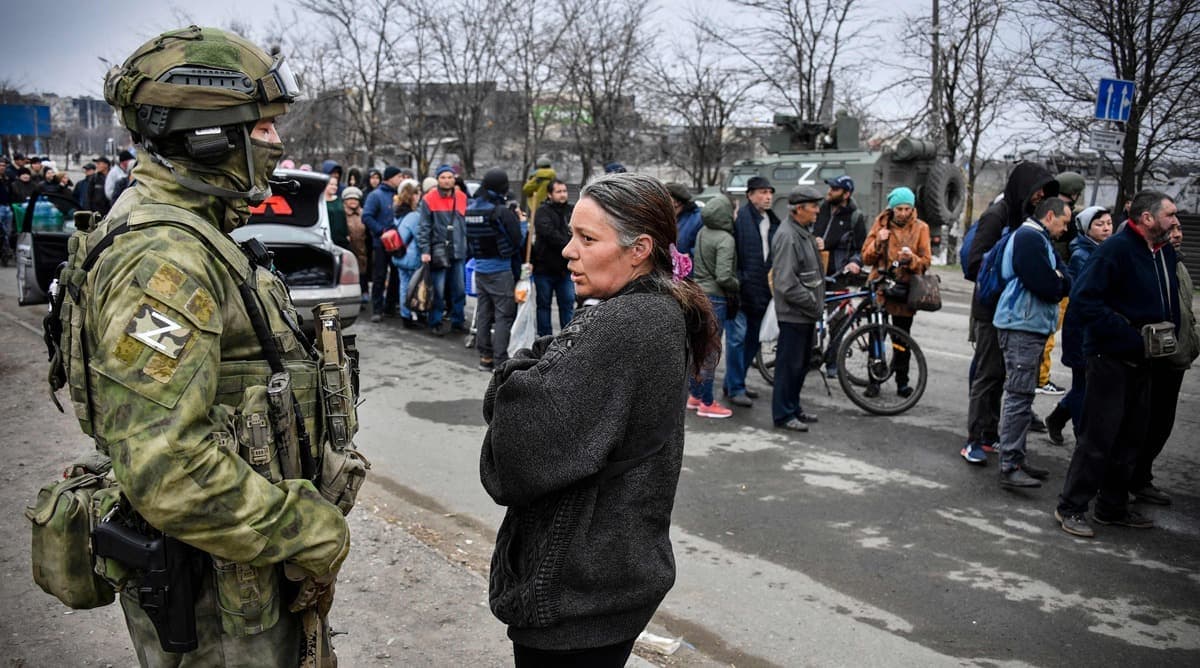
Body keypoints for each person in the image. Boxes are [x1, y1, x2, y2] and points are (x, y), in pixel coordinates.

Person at [61, 25, 351, 664]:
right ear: (208, 137)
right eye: (264, 126)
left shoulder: (194, 232)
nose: (277, 142)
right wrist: (309, 531)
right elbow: (167, 467)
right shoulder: (164, 261)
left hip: (238, 568)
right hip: (219, 596)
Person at [479, 172, 717, 666]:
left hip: (576, 592)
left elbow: (516, 451)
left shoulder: (627, 323)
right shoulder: (646, 309)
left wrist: (512, 380)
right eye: (572, 235)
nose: (569, 250)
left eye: (587, 238)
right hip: (604, 580)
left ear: (639, 249)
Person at [1055, 191, 1181, 537]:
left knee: (1132, 437)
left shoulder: (1164, 252)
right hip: (1109, 358)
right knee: (1098, 437)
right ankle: (1071, 507)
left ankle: (1112, 507)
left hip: (1147, 362)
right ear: (1147, 219)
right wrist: (1130, 335)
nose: (1176, 221)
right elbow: (1084, 302)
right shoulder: (1115, 250)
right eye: (1170, 214)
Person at [960, 162, 1058, 464]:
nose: (1040, 196)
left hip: (1011, 310)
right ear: (1024, 187)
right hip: (991, 309)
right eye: (1037, 189)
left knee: (1002, 374)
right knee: (988, 375)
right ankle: (974, 439)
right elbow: (975, 263)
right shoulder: (996, 216)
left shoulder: (1024, 217)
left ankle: (990, 434)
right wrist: (1010, 273)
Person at [991, 197, 1072, 488]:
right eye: (1063, 222)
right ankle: (1010, 463)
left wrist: (1059, 279)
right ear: (1050, 215)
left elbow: (1066, 279)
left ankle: (1017, 457)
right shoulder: (1029, 237)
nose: (1065, 229)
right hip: (1022, 325)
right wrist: (1058, 279)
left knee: (1023, 395)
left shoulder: (1040, 238)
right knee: (1019, 394)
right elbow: (1049, 286)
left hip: (1030, 325)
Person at [1130, 221, 1197, 505]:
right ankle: (1127, 482)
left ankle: (1141, 478)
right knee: (1144, 423)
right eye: (1171, 229)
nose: (1178, 234)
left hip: (1176, 357)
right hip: (1155, 358)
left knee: (1161, 423)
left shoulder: (1176, 263)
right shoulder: (1149, 262)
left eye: (1180, 228)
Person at [1045, 206, 1112, 444]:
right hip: (1081, 330)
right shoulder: (1082, 255)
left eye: (1108, 223)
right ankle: (1082, 437)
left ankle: (1058, 417)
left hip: (1096, 329)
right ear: (1085, 229)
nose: (1106, 228)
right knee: (1084, 385)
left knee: (1087, 384)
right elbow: (1088, 295)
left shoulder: (1105, 251)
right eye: (1099, 224)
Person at [861, 187, 933, 398]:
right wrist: (878, 242)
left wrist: (911, 259)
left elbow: (926, 262)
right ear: (892, 209)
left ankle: (903, 382)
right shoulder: (880, 225)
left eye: (907, 208)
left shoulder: (921, 228)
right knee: (876, 336)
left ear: (913, 208)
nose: (903, 213)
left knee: (901, 340)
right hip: (880, 287)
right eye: (899, 208)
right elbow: (866, 258)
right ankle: (874, 381)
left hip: (904, 290)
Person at [770, 186, 825, 431]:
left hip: (804, 314)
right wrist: (812, 303)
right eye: (813, 206)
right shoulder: (788, 236)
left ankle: (793, 407)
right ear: (799, 209)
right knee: (788, 367)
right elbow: (785, 283)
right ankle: (783, 414)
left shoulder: (802, 232)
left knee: (800, 366)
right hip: (795, 313)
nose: (817, 211)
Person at [725, 175, 779, 408]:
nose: (767, 197)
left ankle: (735, 383)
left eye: (769, 192)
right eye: (762, 192)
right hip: (742, 290)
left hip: (763, 291)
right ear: (750, 195)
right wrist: (740, 280)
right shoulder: (742, 220)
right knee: (737, 340)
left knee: (753, 341)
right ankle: (735, 387)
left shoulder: (773, 221)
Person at [1036, 171, 1087, 396]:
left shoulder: (1047, 209)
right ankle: (1041, 378)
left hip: (1053, 281)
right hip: (1056, 284)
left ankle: (1039, 377)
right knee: (1047, 334)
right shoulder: (1064, 216)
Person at [467, 169, 523, 370]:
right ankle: (500, 361)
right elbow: (517, 240)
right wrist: (521, 222)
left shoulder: (471, 209)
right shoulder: (500, 211)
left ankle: (485, 358)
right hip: (500, 269)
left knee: (483, 312)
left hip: (480, 268)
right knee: (503, 315)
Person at [688, 193, 738, 419]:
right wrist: (739, 284)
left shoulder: (702, 232)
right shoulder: (726, 239)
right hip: (716, 298)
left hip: (699, 293)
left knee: (699, 348)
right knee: (711, 352)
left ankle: (695, 395)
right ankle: (707, 402)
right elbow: (724, 276)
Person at [417, 164, 468, 335]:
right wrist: (425, 250)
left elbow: (465, 225)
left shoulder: (462, 197)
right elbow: (424, 226)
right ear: (438, 179)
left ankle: (458, 321)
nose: (447, 180)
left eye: (450, 177)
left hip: (458, 250)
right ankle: (435, 321)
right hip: (438, 251)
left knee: (459, 289)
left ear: (454, 179)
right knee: (437, 290)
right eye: (443, 177)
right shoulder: (428, 198)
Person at [530, 179, 575, 336]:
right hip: (544, 268)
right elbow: (548, 233)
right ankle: (545, 339)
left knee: (567, 305)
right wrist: (569, 244)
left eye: (564, 191)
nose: (563, 194)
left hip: (566, 269)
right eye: (558, 191)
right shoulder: (542, 212)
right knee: (543, 305)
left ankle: (568, 339)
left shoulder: (572, 211)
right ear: (550, 194)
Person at [364, 166, 403, 321]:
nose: (400, 179)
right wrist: (381, 232)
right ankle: (377, 309)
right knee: (379, 275)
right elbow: (367, 217)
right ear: (390, 177)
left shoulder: (399, 195)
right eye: (398, 176)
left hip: (398, 243)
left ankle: (390, 307)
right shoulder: (376, 195)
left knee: (396, 276)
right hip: (381, 243)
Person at [814, 175, 867, 286]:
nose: (829, 192)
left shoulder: (855, 217)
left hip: (838, 277)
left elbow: (862, 249)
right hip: (814, 273)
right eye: (830, 188)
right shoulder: (819, 209)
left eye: (835, 189)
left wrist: (855, 262)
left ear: (846, 194)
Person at [391, 179, 424, 328]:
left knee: (403, 286)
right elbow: (420, 238)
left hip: (398, 254)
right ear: (412, 196)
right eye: (417, 193)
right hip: (411, 257)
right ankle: (415, 314)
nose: (420, 196)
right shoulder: (414, 216)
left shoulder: (397, 212)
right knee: (414, 287)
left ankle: (406, 316)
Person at [342, 186, 371, 301]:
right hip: (349, 246)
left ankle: (364, 292)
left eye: (355, 199)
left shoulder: (363, 213)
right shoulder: (342, 213)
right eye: (350, 199)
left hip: (362, 246)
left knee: (362, 270)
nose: (353, 201)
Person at [666, 182, 703, 260]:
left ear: (677, 202)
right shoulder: (665, 216)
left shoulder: (697, 219)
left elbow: (704, 246)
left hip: (688, 268)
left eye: (666, 197)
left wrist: (690, 254)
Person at [324, 174, 350, 251]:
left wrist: (347, 234)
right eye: (331, 184)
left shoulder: (339, 200)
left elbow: (343, 218)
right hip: (327, 238)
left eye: (336, 185)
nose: (334, 187)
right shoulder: (321, 202)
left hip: (341, 239)